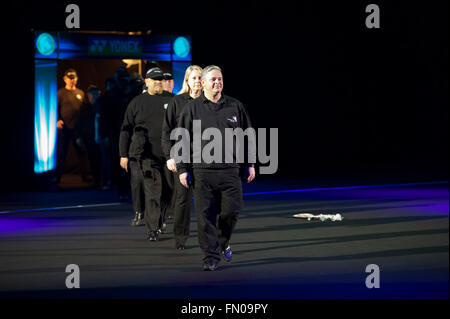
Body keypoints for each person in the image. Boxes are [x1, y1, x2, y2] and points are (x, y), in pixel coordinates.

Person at [176, 65, 256, 271]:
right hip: (202, 172)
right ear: (202, 83)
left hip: (230, 171)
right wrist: (183, 169)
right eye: (213, 79)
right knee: (206, 217)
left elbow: (248, 136)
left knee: (231, 212)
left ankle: (223, 240)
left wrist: (250, 163)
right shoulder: (191, 109)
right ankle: (210, 257)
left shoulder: (235, 106)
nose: (217, 82)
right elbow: (181, 140)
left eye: (220, 79)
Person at [119, 67, 174, 239]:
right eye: (154, 79)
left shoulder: (172, 100)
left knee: (168, 192)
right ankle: (152, 229)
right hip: (147, 156)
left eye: (160, 79)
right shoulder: (137, 103)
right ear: (147, 81)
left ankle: (161, 219)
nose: (158, 82)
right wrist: (123, 154)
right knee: (152, 192)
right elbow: (126, 129)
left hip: (169, 156)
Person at [161, 65, 203, 250]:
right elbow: (166, 131)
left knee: (206, 201)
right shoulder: (177, 102)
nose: (197, 81)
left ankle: (208, 239)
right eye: (194, 78)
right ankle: (180, 238)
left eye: (200, 78)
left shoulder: (209, 101)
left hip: (205, 159)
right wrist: (170, 156)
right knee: (182, 200)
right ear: (187, 80)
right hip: (183, 158)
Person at [55, 68, 85, 183]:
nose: (71, 80)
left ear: (76, 79)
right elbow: (55, 108)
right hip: (65, 129)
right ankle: (57, 178)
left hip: (77, 129)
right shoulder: (60, 93)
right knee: (61, 153)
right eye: (69, 78)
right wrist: (58, 120)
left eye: (73, 78)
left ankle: (84, 176)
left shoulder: (80, 93)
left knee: (81, 152)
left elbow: (83, 111)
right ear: (65, 79)